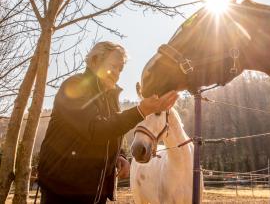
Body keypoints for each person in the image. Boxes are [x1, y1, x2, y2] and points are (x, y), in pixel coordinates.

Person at [38, 41, 178, 204]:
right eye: (114, 66)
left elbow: (112, 131)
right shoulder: (75, 86)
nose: (117, 73)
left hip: (97, 191)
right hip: (64, 191)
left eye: (120, 69)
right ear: (95, 61)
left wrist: (119, 156)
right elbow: (95, 129)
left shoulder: (111, 98)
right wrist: (141, 111)